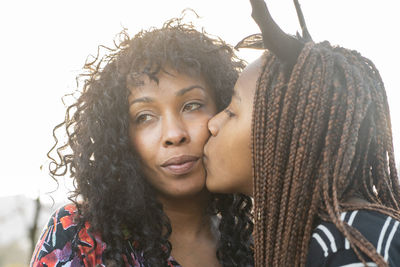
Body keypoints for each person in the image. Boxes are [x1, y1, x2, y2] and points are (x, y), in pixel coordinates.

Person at [30, 17, 254, 267]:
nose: (173, 134)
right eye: (144, 117)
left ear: (223, 109)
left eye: (192, 106)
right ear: (121, 136)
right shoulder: (80, 236)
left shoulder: (257, 246)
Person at [204, 0, 400, 266]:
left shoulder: (346, 249)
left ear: (287, 139)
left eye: (232, 112)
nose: (213, 124)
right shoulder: (341, 233)